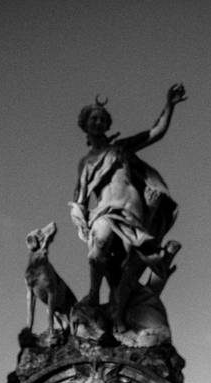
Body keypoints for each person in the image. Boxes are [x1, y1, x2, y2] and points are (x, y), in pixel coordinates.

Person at [68, 84, 185, 333]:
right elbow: (79, 198)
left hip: (134, 213)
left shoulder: (120, 148)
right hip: (105, 212)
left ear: (107, 124)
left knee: (126, 273)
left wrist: (169, 105)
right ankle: (92, 294)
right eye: (93, 118)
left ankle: (119, 317)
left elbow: (156, 133)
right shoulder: (86, 162)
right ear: (86, 125)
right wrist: (80, 218)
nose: (98, 122)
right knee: (98, 244)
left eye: (102, 118)